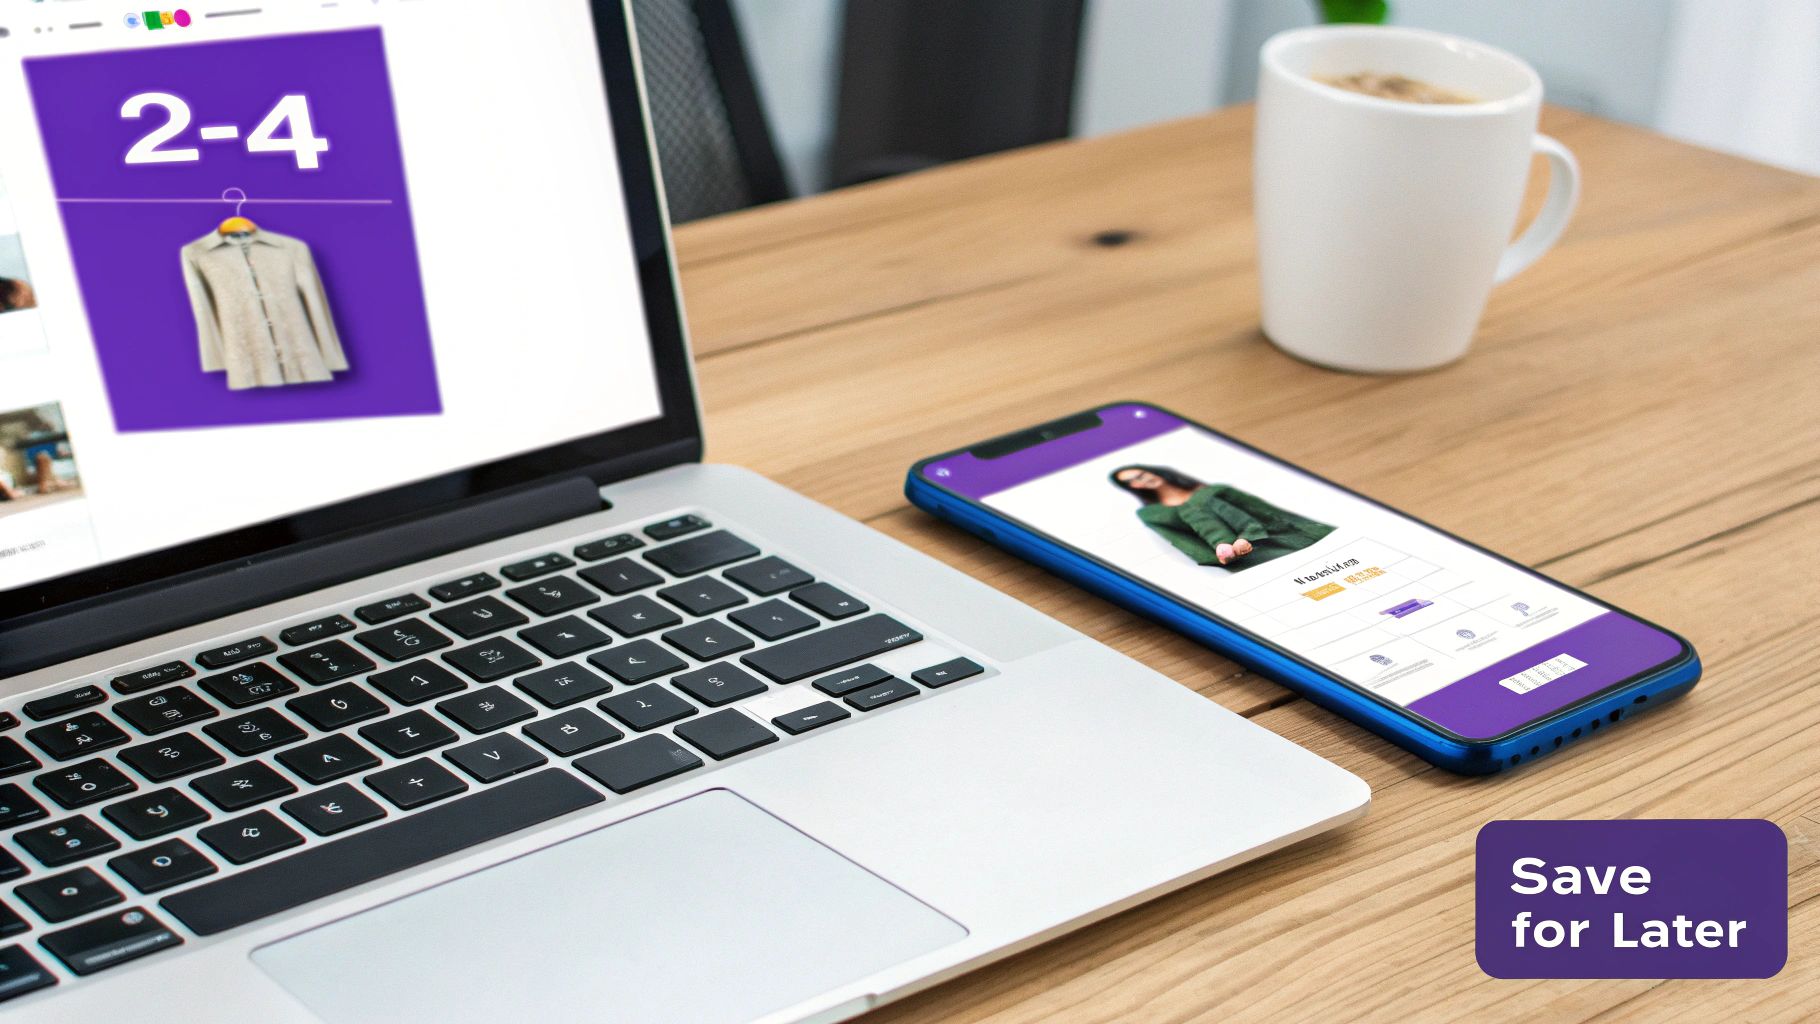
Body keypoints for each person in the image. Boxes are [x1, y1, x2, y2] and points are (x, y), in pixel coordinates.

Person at [1110, 464, 1335, 569]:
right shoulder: (1151, 513)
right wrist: (1225, 555)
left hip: (1281, 536)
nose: (1141, 480)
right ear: (1132, 488)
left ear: (1152, 471)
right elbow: (1183, 543)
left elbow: (1265, 511)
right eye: (1131, 482)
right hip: (1244, 561)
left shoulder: (1214, 490)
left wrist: (1249, 537)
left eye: (1140, 474)